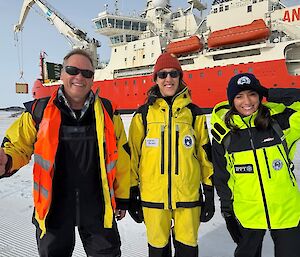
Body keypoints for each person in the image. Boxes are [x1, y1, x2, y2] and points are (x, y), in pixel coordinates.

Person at [0, 49, 130, 257]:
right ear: (62, 74)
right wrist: (6, 160)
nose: (79, 77)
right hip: (53, 211)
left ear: (93, 79)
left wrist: (123, 197)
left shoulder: (107, 113)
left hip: (97, 208)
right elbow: (18, 146)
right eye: (72, 70)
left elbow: (123, 156)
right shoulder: (39, 112)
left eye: (86, 73)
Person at [128, 52, 214, 257]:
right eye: (163, 74)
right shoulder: (143, 114)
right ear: (156, 79)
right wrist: (131, 193)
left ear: (180, 77)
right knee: (158, 250)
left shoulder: (194, 114)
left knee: (188, 250)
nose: (168, 79)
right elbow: (132, 157)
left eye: (173, 74)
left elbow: (205, 156)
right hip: (153, 199)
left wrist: (209, 193)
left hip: (188, 197)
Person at [210, 73, 300, 257]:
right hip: (247, 215)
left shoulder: (281, 124)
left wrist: (269, 92)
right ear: (231, 100)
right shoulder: (225, 135)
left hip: (287, 212)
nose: (247, 101)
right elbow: (222, 177)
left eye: (252, 93)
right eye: (239, 96)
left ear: (259, 96)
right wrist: (227, 212)